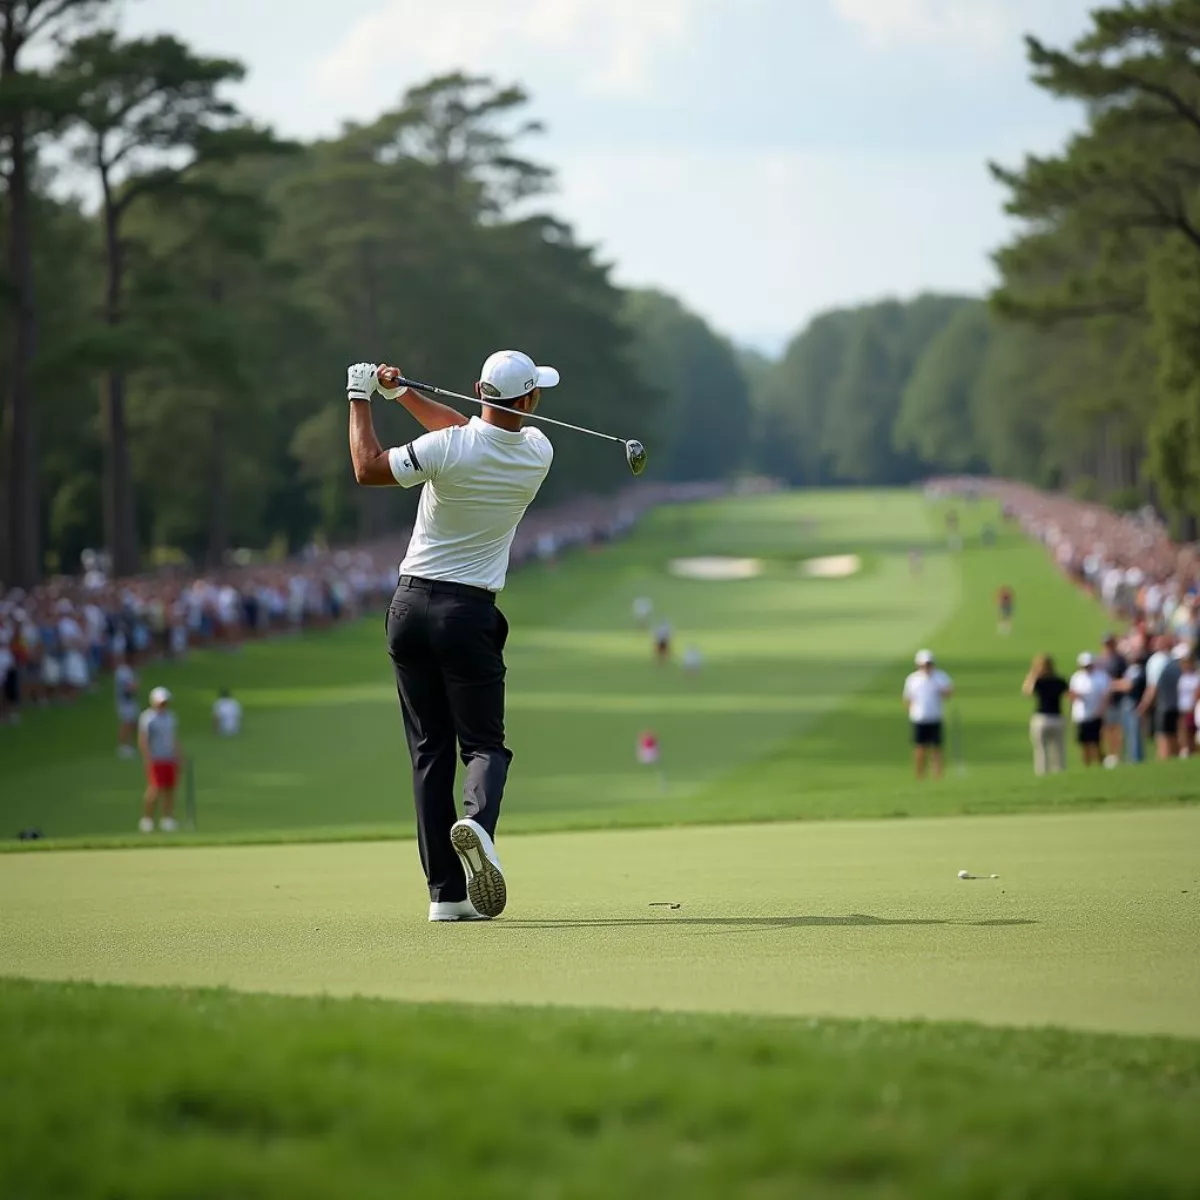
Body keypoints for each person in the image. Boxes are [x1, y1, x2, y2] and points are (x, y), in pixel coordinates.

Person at [345, 353, 556, 922]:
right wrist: (403, 394)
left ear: (477, 390)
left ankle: (446, 895)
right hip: (469, 613)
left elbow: (367, 467)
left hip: (410, 607)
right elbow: (466, 432)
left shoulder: (449, 449)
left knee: (429, 752)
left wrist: (360, 396)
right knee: (485, 745)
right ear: (530, 401)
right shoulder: (539, 451)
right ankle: (478, 825)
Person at [902, 649, 953, 780]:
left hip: (935, 716)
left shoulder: (940, 677)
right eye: (924, 664)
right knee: (920, 748)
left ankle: (938, 776)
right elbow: (907, 698)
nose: (926, 667)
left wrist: (943, 691)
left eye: (929, 664)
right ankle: (920, 776)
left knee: (937, 748)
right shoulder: (913, 679)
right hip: (919, 718)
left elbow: (949, 693)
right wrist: (912, 711)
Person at [138, 686, 181, 833]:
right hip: (156, 758)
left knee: (170, 789)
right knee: (155, 789)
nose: (163, 705)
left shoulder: (171, 717)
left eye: (165, 702)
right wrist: (147, 757)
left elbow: (174, 738)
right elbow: (143, 740)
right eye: (160, 702)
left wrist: (179, 755)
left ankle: (167, 819)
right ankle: (147, 820)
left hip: (169, 758)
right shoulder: (148, 718)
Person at [1139, 641, 1186, 760]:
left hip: (1163, 707)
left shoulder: (1161, 665)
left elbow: (1153, 688)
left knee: (1163, 739)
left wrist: (1143, 707)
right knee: (1175, 738)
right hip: (1177, 708)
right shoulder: (1179, 670)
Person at [1023, 654, 1068, 775]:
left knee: (1040, 750)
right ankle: (1060, 773)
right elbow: (1069, 695)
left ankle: (1042, 773)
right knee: (1059, 750)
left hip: (1041, 718)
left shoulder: (1038, 681)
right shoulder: (1059, 680)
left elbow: (1027, 691)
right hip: (1057, 717)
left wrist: (1032, 674)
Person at [1068, 652, 1110, 767]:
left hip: (1096, 714)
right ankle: (1087, 765)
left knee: (1097, 742)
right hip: (1081, 715)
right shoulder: (1076, 677)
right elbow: (1071, 695)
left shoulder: (1101, 676)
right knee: (1084, 743)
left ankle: (1101, 763)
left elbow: (1105, 696)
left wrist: (1102, 710)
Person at [1098, 633, 1128, 767]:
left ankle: (1116, 755)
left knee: (1116, 728)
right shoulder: (1100, 660)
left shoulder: (1120, 660)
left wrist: (1111, 684)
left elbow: (1126, 679)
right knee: (1106, 728)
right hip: (1103, 700)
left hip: (1117, 700)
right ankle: (1109, 754)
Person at [114, 656, 139, 758]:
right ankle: (123, 747)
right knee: (126, 724)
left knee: (133, 723)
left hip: (129, 701)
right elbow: (131, 688)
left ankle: (129, 744)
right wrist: (137, 682)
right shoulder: (124, 672)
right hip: (125, 702)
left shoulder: (124, 671)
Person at [1177, 649, 1198, 758]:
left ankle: (1193, 750)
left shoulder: (1196, 677)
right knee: (1183, 729)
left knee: (1192, 731)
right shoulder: (1182, 677)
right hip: (1182, 707)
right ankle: (1185, 749)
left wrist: (1193, 706)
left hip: (1192, 708)